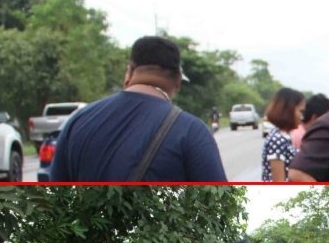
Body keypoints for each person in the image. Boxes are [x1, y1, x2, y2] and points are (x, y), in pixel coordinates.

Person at [50, 36, 227, 181]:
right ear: (178, 82)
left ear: (129, 72)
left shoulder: (77, 121)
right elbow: (218, 209)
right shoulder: (191, 131)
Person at [261, 88, 305, 182]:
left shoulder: (283, 137)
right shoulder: (277, 140)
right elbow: (278, 181)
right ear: (288, 111)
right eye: (300, 112)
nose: (302, 117)